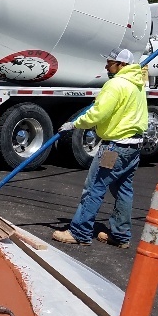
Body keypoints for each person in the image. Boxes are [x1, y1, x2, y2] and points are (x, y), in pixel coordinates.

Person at [53, 48, 148, 248]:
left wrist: (75, 124)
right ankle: (121, 235)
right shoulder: (137, 85)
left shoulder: (115, 84)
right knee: (123, 190)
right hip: (133, 147)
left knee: (94, 187)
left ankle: (79, 232)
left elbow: (98, 114)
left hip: (114, 148)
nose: (106, 66)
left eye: (111, 62)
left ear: (121, 65)